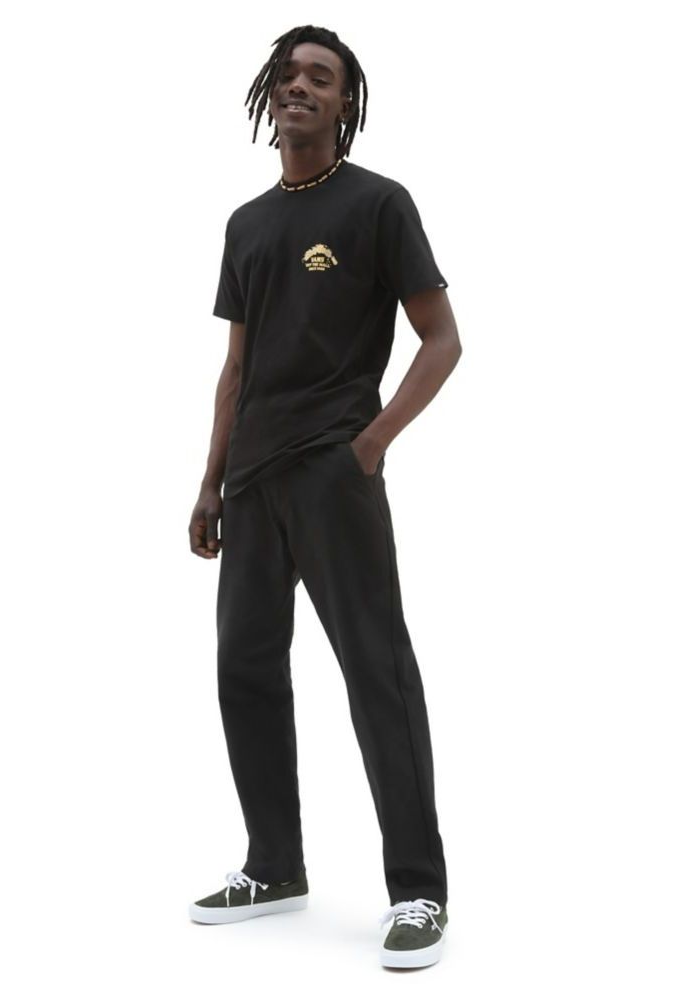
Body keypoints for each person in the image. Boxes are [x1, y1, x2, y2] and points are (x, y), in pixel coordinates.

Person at [187, 24, 462, 969]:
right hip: (253, 479)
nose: (299, 86)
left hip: (334, 475)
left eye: (320, 76)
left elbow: (442, 340)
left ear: (345, 102)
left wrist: (371, 445)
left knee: (377, 672)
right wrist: (210, 481)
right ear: (269, 94)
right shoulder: (247, 225)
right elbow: (236, 366)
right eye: (288, 74)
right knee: (244, 668)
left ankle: (418, 890)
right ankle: (274, 865)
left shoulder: (378, 204)